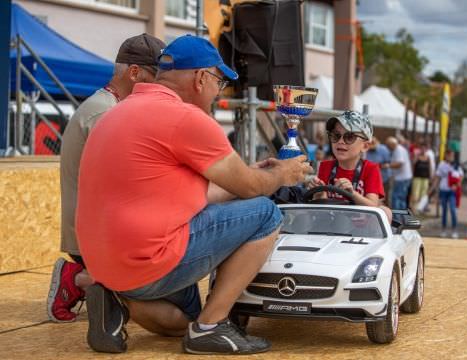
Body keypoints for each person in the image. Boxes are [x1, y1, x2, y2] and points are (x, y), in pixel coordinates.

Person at [76, 35, 312, 355]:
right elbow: (252, 188)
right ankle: (211, 328)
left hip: (105, 261)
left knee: (184, 320)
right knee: (265, 213)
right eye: (219, 82)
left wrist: (248, 176)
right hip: (148, 260)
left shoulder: (119, 110)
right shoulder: (186, 118)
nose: (219, 92)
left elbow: (183, 193)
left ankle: (117, 299)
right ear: (201, 78)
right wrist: (282, 173)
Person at [46, 34, 166, 323]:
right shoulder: (104, 112)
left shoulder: (111, 106)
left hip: (99, 230)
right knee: (159, 296)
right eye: (157, 78)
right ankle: (77, 279)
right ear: (134, 72)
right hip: (93, 239)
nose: (162, 86)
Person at [307, 111, 391, 221]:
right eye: (336, 136)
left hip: (362, 232)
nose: (341, 141)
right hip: (332, 226)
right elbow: (322, 208)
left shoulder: (371, 168)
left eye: (349, 137)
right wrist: (318, 195)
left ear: (365, 146)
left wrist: (352, 194)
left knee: (386, 211)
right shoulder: (325, 166)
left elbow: (373, 208)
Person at [431, 149, 463, 238]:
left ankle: (454, 230)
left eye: (452, 155)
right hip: (443, 190)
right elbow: (437, 177)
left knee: (453, 210)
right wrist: (433, 189)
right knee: (444, 211)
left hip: (452, 191)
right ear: (446, 156)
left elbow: (460, 177)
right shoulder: (442, 164)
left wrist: (456, 185)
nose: (451, 157)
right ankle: (444, 230)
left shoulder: (456, 165)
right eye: (449, 155)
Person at [385, 137, 413, 210]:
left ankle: (398, 218)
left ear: (392, 144)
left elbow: (400, 163)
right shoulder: (398, 149)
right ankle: (401, 217)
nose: (388, 148)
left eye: (388, 145)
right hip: (403, 178)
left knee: (397, 198)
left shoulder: (398, 150)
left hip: (402, 179)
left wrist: (388, 165)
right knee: (401, 198)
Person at [366, 137, 392, 206]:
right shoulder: (366, 150)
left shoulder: (383, 149)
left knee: (385, 199)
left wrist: (380, 166)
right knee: (374, 198)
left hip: (384, 178)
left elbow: (389, 162)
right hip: (371, 179)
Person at [410, 141, 431, 213]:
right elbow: (413, 165)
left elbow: (430, 168)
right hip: (417, 177)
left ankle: (420, 208)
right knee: (415, 194)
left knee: (423, 194)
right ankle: (414, 208)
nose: (423, 150)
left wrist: (430, 178)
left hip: (425, 178)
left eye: (425, 148)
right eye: (422, 148)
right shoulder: (417, 156)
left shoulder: (428, 158)